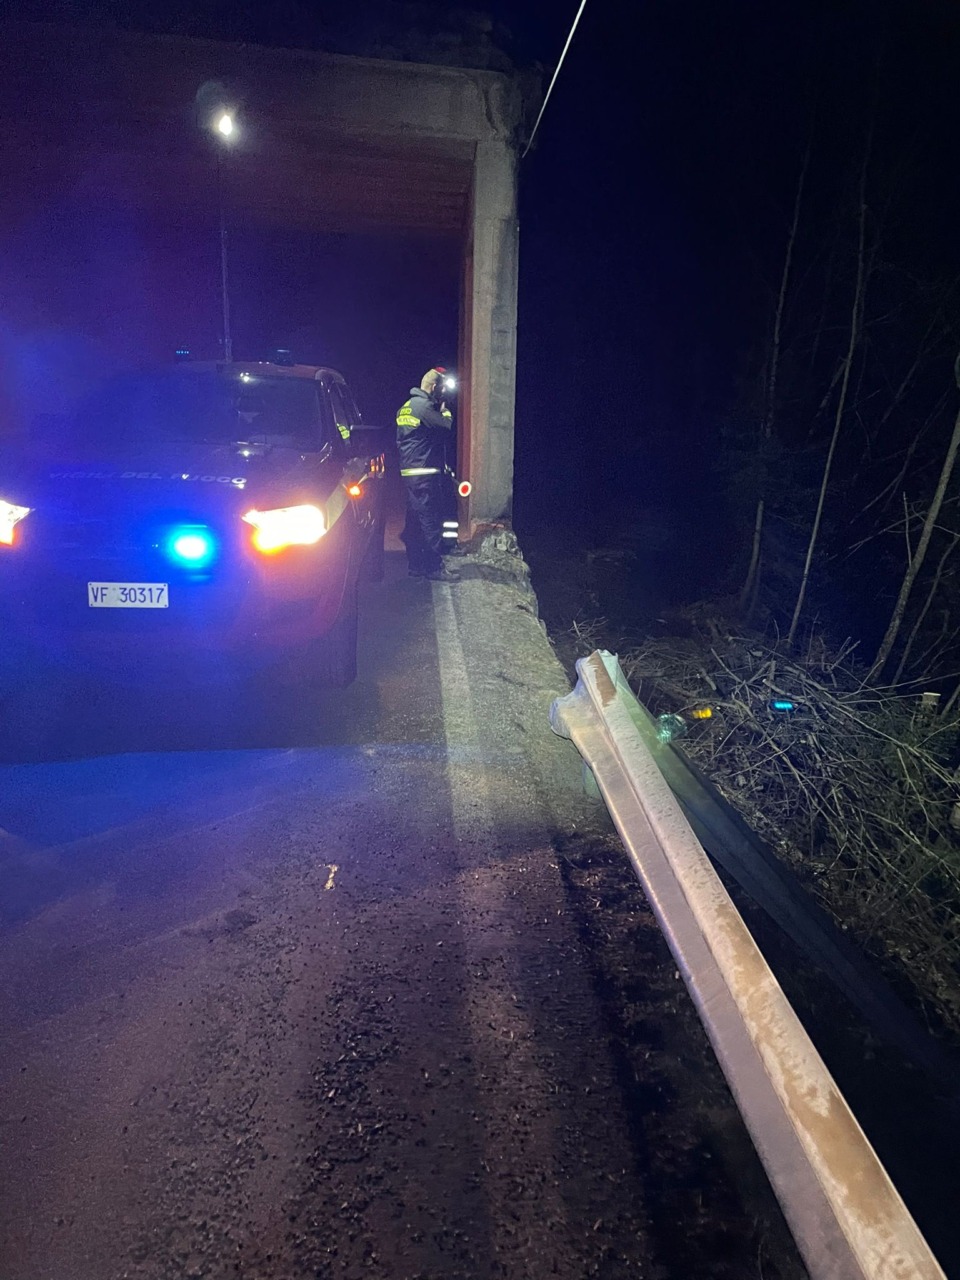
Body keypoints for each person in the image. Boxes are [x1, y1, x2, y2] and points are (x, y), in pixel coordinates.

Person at [396, 367, 460, 582]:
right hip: (424, 472)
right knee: (430, 520)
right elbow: (446, 426)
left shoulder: (406, 407)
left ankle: (415, 565)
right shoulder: (424, 407)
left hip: (410, 471)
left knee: (414, 520)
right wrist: (445, 408)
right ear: (434, 388)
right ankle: (434, 567)